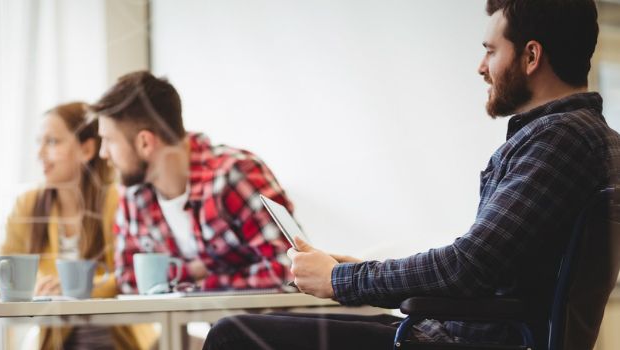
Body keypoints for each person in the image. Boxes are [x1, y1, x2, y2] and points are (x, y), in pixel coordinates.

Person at [203, 0, 620, 349]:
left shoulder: (559, 140)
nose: (480, 67)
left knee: (231, 335)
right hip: (461, 330)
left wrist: (340, 280)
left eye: (491, 51)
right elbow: (481, 268)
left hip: (463, 341)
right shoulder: (585, 138)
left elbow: (466, 266)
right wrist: (355, 272)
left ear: (531, 56)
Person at [0, 102, 156, 350]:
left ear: (87, 149)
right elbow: (5, 265)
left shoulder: (119, 202)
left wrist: (76, 288)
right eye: (39, 142)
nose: (39, 154)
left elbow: (133, 276)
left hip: (120, 340)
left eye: (53, 142)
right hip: (55, 342)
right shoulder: (27, 204)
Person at [91, 71, 294, 293]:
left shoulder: (235, 174)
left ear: (145, 143)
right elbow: (129, 281)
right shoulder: (134, 195)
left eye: (108, 141)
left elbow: (290, 271)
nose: (103, 153)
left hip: (266, 326)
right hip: (195, 327)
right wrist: (199, 271)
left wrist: (199, 280)